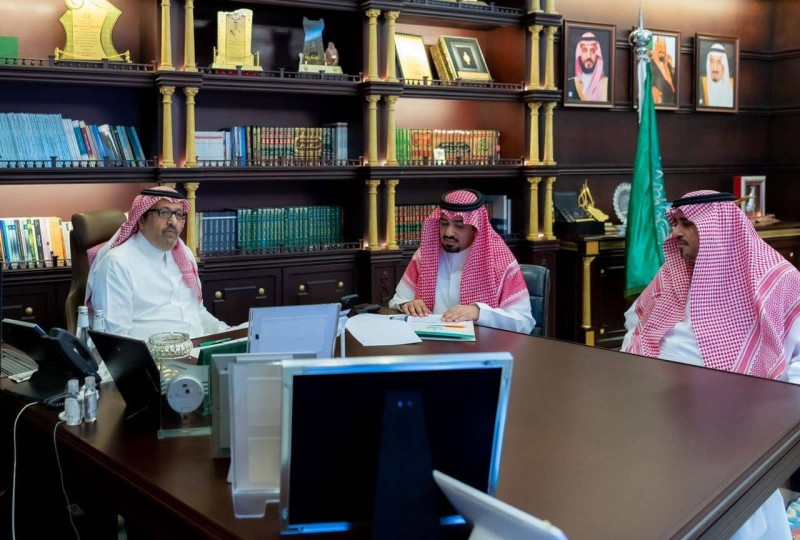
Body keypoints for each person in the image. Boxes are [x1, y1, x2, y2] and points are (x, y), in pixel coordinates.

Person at [622, 190, 800, 540]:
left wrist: (771, 407)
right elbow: (635, 324)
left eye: (687, 224)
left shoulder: (776, 280)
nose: (676, 232)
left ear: (718, 229)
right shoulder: (672, 275)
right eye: (676, 223)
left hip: (738, 423)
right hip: (660, 411)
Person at [86, 186, 229, 341]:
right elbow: (116, 338)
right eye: (164, 212)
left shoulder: (185, 255)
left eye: (179, 214)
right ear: (141, 219)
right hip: (150, 355)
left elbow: (197, 312)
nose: (173, 221)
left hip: (197, 350)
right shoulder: (117, 264)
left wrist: (230, 333)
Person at [388, 189, 534, 334]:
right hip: (430, 343)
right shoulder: (425, 254)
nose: (448, 232)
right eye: (444, 223)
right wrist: (407, 304)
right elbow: (398, 300)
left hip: (482, 346)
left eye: (459, 225)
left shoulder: (501, 261)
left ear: (475, 227)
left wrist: (479, 313)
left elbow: (524, 322)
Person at [567, 32, 608, 102]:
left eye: (592, 51)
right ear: (579, 54)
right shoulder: (570, 84)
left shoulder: (606, 85)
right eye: (584, 50)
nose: (588, 56)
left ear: (598, 55)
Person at [700, 43, 734, 107]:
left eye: (719, 62)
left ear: (724, 65)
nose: (714, 68)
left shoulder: (733, 85)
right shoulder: (700, 84)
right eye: (711, 62)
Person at [649, 36, 676, 106]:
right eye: (659, 46)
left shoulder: (668, 66)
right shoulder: (650, 65)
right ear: (655, 46)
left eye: (664, 46)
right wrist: (652, 89)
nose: (662, 49)